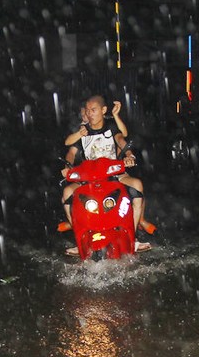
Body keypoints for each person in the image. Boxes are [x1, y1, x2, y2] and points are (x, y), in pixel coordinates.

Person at [61, 95, 155, 254]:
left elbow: (121, 139)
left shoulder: (111, 127)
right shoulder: (83, 131)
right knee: (67, 193)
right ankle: (80, 239)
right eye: (88, 111)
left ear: (103, 110)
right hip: (89, 177)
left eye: (94, 110)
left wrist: (129, 155)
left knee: (137, 185)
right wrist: (68, 166)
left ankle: (133, 238)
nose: (90, 114)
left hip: (113, 174)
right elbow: (70, 150)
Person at [63, 97, 128, 147]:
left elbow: (124, 134)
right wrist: (80, 133)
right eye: (83, 115)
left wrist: (115, 115)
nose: (89, 115)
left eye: (92, 111)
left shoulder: (108, 123)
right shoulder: (82, 128)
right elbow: (68, 144)